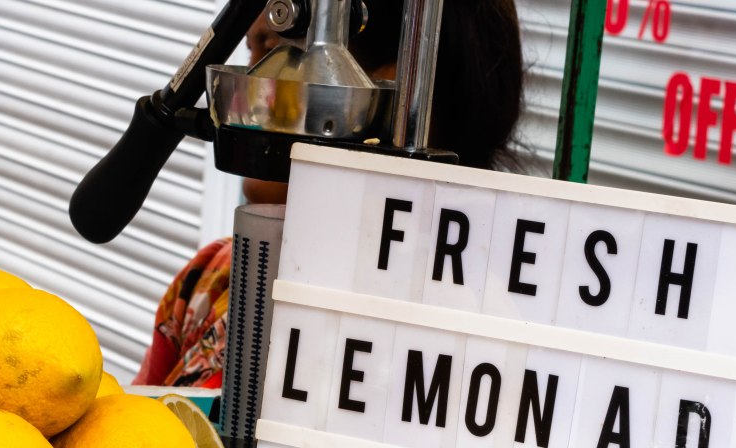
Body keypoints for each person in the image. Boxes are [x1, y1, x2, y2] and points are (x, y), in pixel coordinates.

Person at [134, 0, 525, 388]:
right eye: (253, 57)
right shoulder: (209, 280)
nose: (249, 100)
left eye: (276, 56)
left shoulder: (474, 335)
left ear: (387, 103)